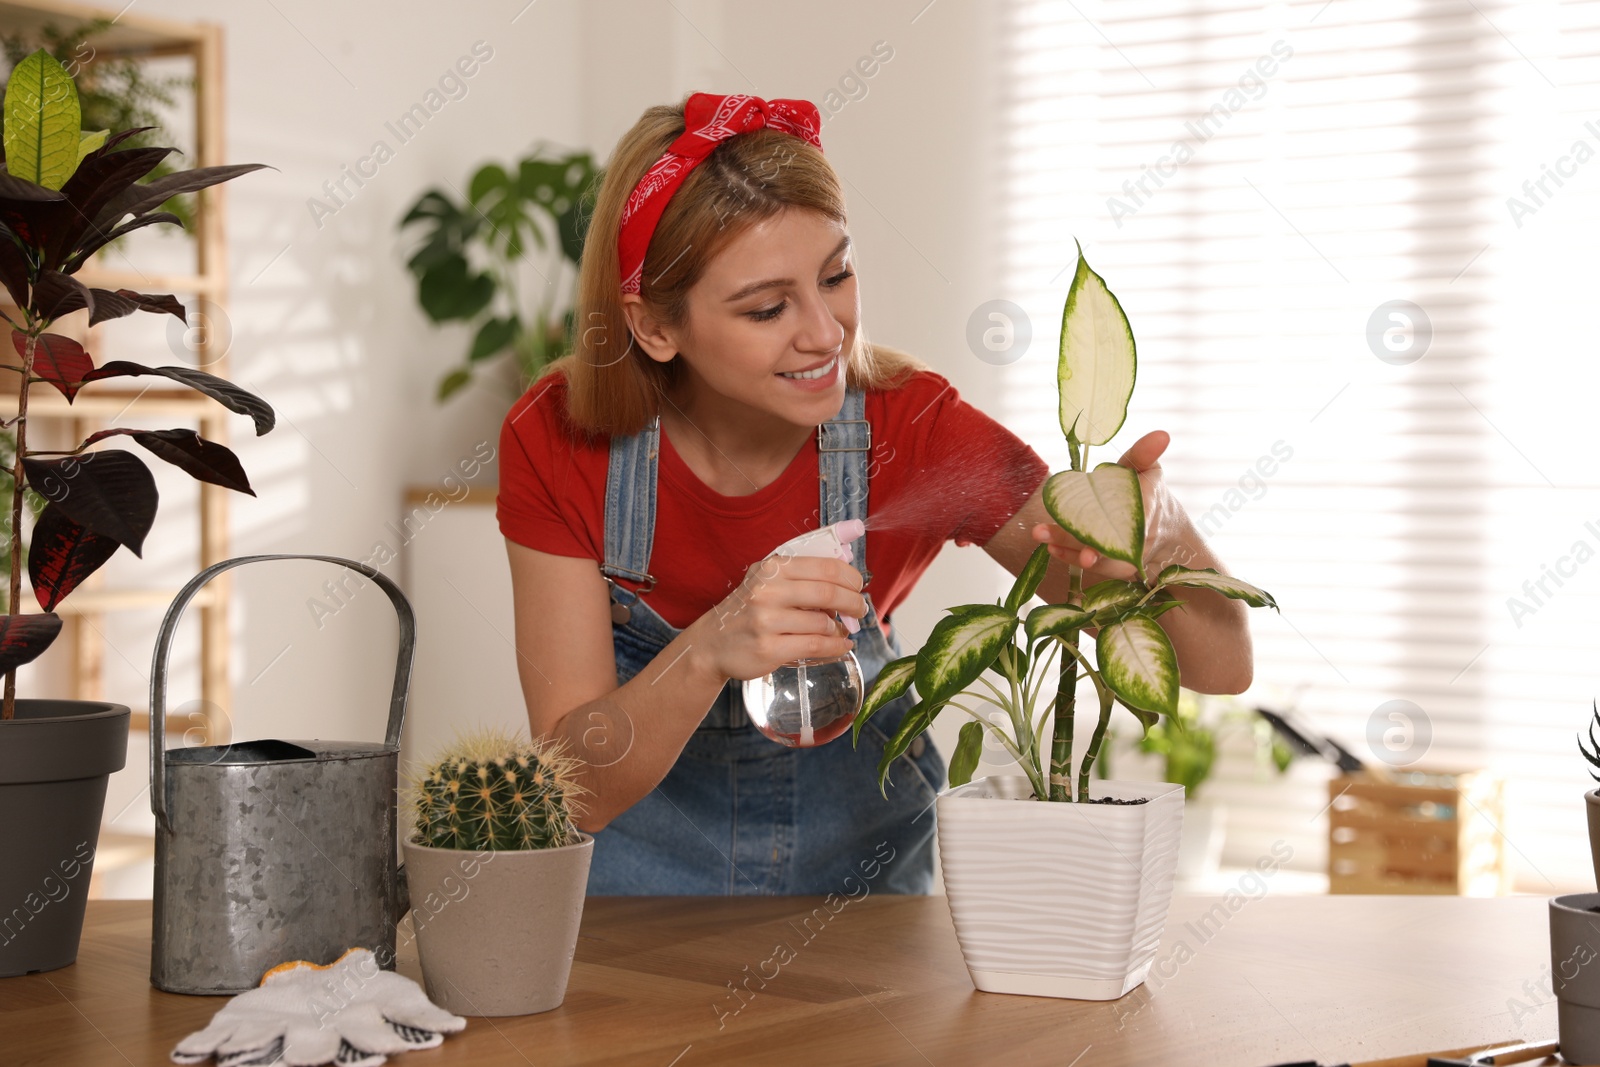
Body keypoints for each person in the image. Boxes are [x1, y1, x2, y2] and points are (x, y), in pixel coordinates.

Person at [498, 92, 1253, 896]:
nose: (827, 332)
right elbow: (574, 786)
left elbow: (1220, 664)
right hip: (634, 914)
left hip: (865, 913)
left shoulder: (914, 427)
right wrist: (711, 648)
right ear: (652, 327)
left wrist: (1157, 526)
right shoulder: (557, 441)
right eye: (767, 307)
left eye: (837, 275)